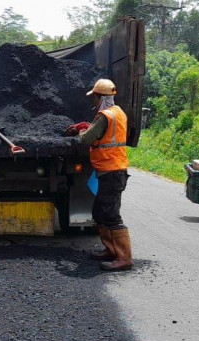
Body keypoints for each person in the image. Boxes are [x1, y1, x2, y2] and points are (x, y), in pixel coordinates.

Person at [73, 78, 133, 271]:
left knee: (111, 215)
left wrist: (81, 131)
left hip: (112, 171)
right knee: (100, 212)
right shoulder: (118, 113)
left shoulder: (104, 116)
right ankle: (111, 249)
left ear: (100, 97)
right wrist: (87, 126)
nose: (94, 101)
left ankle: (124, 257)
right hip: (112, 170)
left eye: (95, 97)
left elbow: (87, 139)